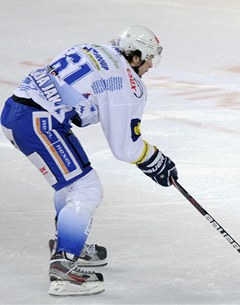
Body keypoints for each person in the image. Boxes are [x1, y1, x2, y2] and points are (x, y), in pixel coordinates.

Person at [1, 25, 178, 296]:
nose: (151, 65)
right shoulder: (125, 81)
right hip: (38, 122)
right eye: (149, 58)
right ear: (135, 55)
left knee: (71, 184)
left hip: (17, 111)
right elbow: (124, 148)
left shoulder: (95, 49)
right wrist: (155, 159)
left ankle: (69, 243)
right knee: (86, 188)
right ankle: (65, 268)